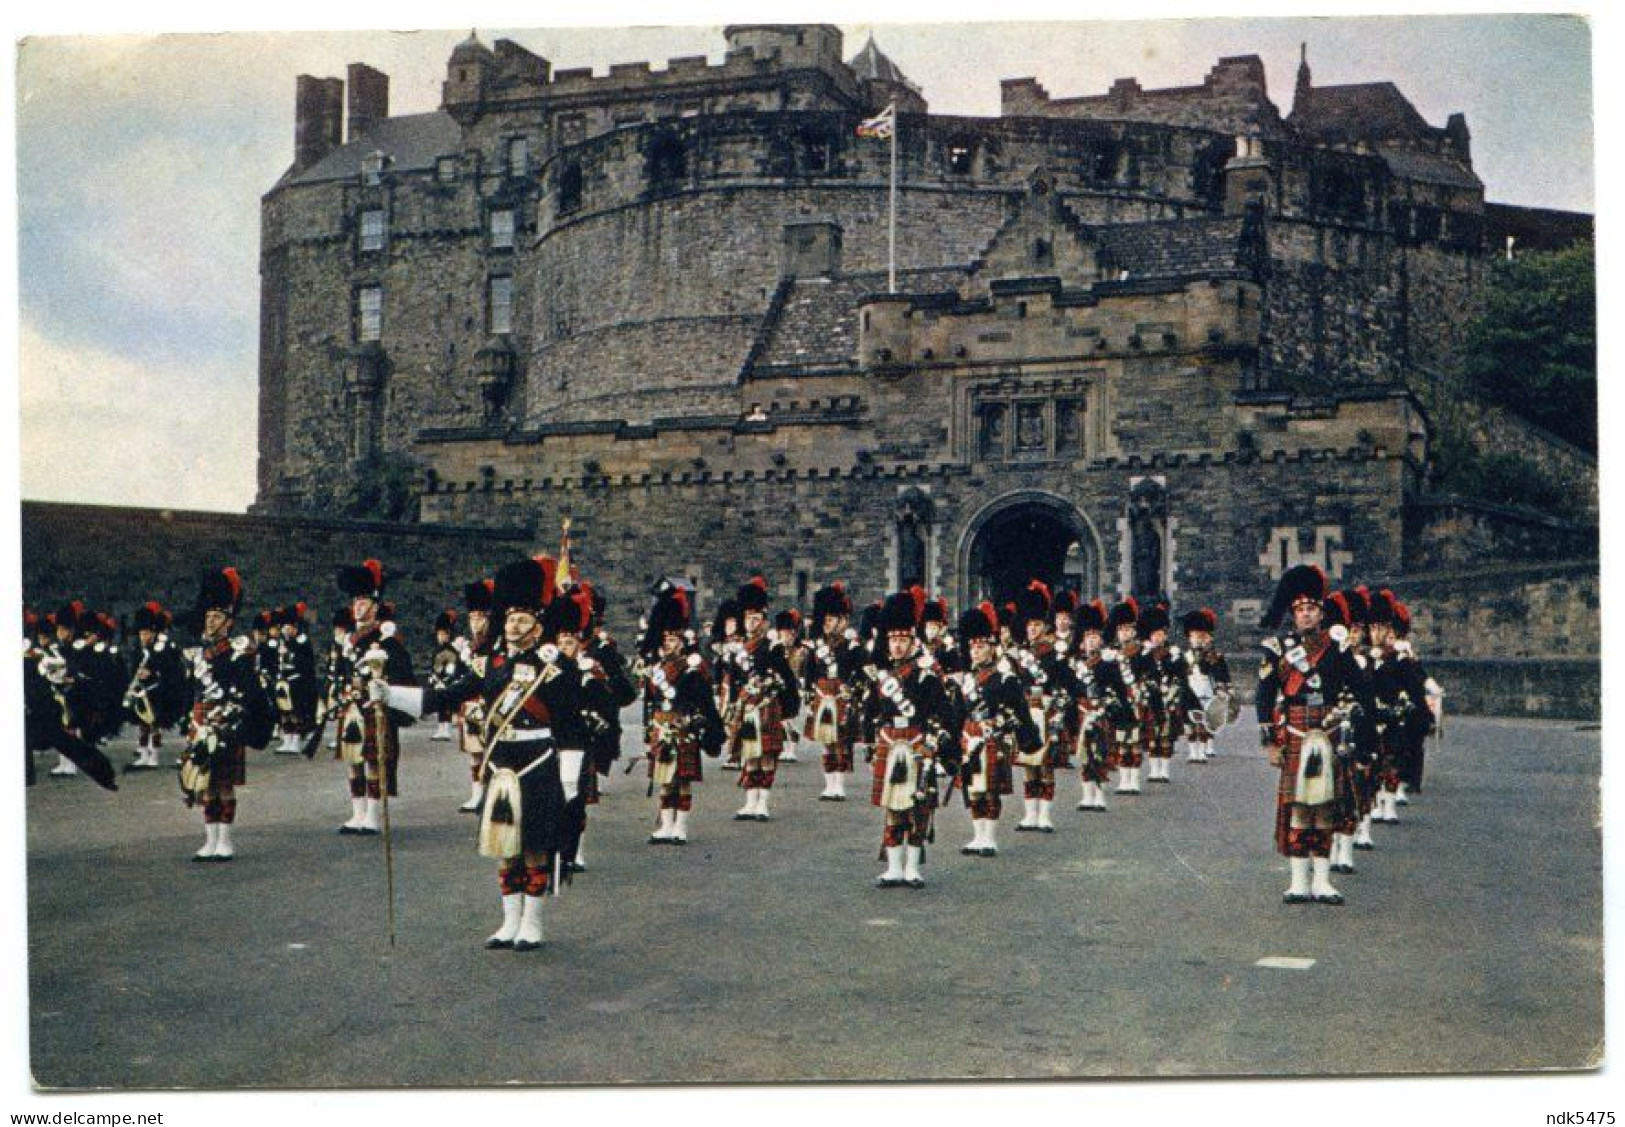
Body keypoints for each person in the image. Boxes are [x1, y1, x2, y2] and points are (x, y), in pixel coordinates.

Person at [386, 554, 589, 951]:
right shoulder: (489, 664)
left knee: (532, 848)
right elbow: (444, 696)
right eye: (510, 618)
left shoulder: (555, 667)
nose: (513, 626)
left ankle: (532, 923)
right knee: (504, 847)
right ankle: (508, 921)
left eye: (522, 619)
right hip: (499, 764)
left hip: (538, 763)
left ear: (538, 626)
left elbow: (570, 725)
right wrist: (389, 694)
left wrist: (569, 779)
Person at [1256, 564, 1366, 905]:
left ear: (1321, 612)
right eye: (1300, 610)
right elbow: (1263, 696)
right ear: (1293, 613)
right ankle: (1298, 882)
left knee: (1326, 808)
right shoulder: (1277, 649)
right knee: (1299, 808)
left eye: (1312, 609)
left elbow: (1362, 688)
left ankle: (1322, 882)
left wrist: (1355, 725)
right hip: (1294, 732)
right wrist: (1270, 742)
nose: (1306, 614)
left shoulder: (1338, 648)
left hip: (1329, 732)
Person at [862, 591, 958, 888]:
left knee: (918, 810)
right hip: (890, 742)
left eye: (903, 640)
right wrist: (869, 747)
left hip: (918, 741)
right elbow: (870, 712)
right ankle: (893, 868)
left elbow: (944, 711)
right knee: (893, 808)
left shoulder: (927, 673)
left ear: (912, 641)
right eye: (893, 640)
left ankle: (913, 868)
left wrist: (938, 744)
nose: (898, 645)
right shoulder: (882, 676)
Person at [178, 567, 274, 861]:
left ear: (229, 622)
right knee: (205, 784)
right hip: (202, 721)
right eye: (208, 618)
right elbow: (191, 691)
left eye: (217, 618)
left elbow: (248, 690)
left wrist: (228, 714)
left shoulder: (238, 652)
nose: (210, 623)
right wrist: (190, 720)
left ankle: (226, 841)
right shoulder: (197, 655)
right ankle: (210, 841)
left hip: (227, 723)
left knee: (224, 784)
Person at [330, 559, 417, 836]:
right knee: (353, 761)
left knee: (373, 762)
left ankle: (373, 816)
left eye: (364, 601)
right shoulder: (351, 639)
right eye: (355, 601)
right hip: (353, 706)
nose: (357, 606)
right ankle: (356, 814)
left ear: (375, 606)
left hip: (374, 706)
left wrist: (385, 691)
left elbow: (403, 670)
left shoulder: (386, 637)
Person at [639, 583, 725, 844]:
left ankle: (681, 826)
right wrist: (647, 730)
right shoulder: (655, 668)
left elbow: (703, 702)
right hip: (661, 725)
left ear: (681, 641)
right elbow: (650, 703)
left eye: (673, 640)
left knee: (683, 780)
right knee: (665, 780)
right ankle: (665, 825)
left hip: (683, 725)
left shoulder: (691, 668)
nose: (668, 645)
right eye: (664, 641)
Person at [952, 602, 1038, 857]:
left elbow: (1020, 710)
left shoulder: (1005, 678)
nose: (976, 651)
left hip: (992, 738)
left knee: (990, 790)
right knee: (973, 790)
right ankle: (977, 836)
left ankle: (989, 837)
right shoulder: (966, 680)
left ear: (992, 648)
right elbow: (958, 713)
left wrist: (1028, 738)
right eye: (973, 647)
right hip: (970, 735)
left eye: (981, 647)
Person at [722, 578, 800, 822]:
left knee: (766, 755)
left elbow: (786, 678)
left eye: (756, 619)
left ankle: (763, 802)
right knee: (749, 754)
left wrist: (788, 705)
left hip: (767, 705)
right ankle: (749, 801)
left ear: (764, 621)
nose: (752, 623)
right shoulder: (738, 649)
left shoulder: (772, 647)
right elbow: (734, 680)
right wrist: (732, 705)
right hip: (747, 705)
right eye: (748, 619)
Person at [1007, 581, 1078, 831]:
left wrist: (1060, 711)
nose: (1032, 629)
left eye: (1036, 625)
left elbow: (1070, 686)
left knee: (1046, 767)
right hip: (1028, 712)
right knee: (1028, 766)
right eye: (1029, 625)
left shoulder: (1055, 654)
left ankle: (1045, 815)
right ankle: (1030, 815)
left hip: (1048, 712)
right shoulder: (1019, 656)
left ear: (1045, 626)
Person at [801, 583, 864, 801]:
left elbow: (861, 672)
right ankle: (829, 784)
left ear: (843, 620)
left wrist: (853, 691)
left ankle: (840, 783)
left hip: (841, 697)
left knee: (841, 743)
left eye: (831, 619)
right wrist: (809, 693)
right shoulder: (817, 645)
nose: (827, 624)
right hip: (822, 695)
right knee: (827, 743)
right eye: (825, 619)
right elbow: (810, 672)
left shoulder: (852, 646)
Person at [1071, 599, 1130, 811]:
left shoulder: (1109, 663)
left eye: (1095, 636)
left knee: (1101, 754)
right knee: (1085, 755)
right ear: (1082, 640)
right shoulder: (1077, 664)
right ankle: (1087, 795)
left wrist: (1121, 712)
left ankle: (1100, 796)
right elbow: (1073, 690)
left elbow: (1120, 689)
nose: (1092, 641)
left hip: (1102, 712)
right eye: (1088, 637)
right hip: (1083, 712)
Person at [125, 601, 185, 770]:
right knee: (142, 725)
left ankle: (154, 754)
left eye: (146, 633)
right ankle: (143, 753)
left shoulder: (161, 649)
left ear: (153, 632)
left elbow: (169, 670)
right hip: (141, 692)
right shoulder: (139, 650)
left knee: (154, 724)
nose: (143, 637)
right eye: (141, 633)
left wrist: (152, 673)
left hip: (157, 691)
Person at [453, 581, 496, 812]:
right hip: (470, 704)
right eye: (472, 619)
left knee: (490, 753)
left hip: (489, 704)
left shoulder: (494, 645)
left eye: (480, 618)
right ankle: (476, 794)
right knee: (474, 754)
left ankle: (488, 795)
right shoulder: (469, 646)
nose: (476, 623)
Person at [1178, 608, 1231, 765]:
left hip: (1207, 690)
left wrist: (1224, 688)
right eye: (1195, 636)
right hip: (1189, 691)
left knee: (1203, 722)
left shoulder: (1212, 655)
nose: (1198, 639)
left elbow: (1218, 672)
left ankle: (1202, 750)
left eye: (1201, 636)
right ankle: (1192, 751)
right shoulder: (1184, 656)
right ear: (1189, 637)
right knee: (1189, 723)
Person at [1105, 598, 1144, 794]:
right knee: (1121, 742)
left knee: (1134, 743)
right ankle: (1123, 779)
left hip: (1135, 701)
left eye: (1129, 629)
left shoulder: (1142, 653)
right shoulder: (1111, 654)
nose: (1125, 633)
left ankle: (1134, 779)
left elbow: (1148, 676)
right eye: (1121, 630)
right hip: (1119, 702)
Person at [272, 603, 318, 755]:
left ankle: (296, 740)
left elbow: (306, 664)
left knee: (296, 711)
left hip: (297, 681)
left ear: (294, 627)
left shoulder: (301, 641)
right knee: (284, 712)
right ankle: (287, 739)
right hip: (284, 680)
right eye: (284, 627)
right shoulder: (282, 640)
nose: (285, 629)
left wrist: (289, 648)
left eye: (288, 627)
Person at [773, 608, 808, 762]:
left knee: (794, 719)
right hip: (780, 687)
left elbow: (807, 668)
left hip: (796, 686)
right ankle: (784, 748)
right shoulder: (775, 650)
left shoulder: (803, 650)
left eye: (791, 634)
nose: (789, 637)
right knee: (781, 719)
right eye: (786, 634)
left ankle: (792, 749)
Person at [428, 610, 462, 743]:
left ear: (448, 635)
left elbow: (452, 668)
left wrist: (445, 681)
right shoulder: (438, 650)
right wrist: (433, 678)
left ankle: (445, 730)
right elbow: (435, 667)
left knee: (446, 706)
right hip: (438, 680)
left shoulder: (451, 651)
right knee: (440, 706)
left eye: (443, 634)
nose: (441, 637)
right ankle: (440, 729)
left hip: (447, 681)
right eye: (439, 634)